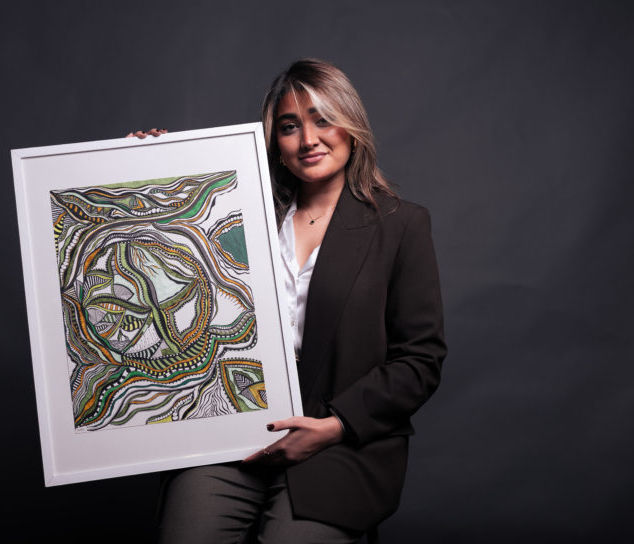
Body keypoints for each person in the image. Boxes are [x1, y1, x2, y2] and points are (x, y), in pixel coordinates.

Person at [130, 58, 446, 544]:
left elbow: (420, 360)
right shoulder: (234, 210)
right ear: (275, 141)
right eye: (290, 126)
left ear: (352, 127)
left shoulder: (401, 225)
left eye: (324, 120)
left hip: (340, 443)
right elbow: (157, 251)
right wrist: (142, 166)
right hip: (233, 431)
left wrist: (336, 425)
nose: (308, 140)